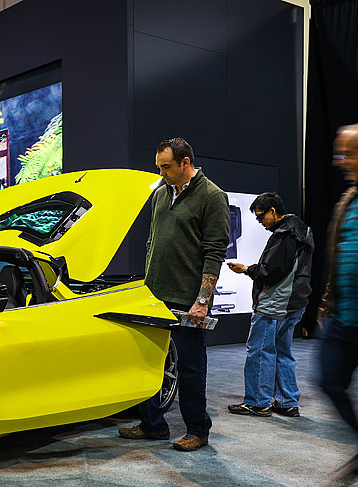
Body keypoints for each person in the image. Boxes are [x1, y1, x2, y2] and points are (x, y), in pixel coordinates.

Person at [118, 138, 230, 451]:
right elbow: (152, 242)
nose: (161, 173)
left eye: (166, 167)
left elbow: (214, 252)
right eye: (159, 167)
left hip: (187, 299)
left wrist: (202, 300)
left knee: (190, 366)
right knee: (150, 362)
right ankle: (152, 424)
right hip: (155, 297)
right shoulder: (160, 195)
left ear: (185, 163)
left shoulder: (212, 196)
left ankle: (198, 429)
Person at [226, 192, 313, 417]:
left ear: (273, 211)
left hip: (276, 303)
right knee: (283, 351)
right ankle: (287, 401)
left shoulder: (285, 234)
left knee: (260, 350)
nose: (260, 222)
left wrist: (247, 269)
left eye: (261, 217)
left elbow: (270, 271)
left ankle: (257, 401)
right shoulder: (301, 230)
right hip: (294, 302)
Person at [317, 123, 358, 483]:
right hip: (345, 319)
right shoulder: (348, 200)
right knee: (329, 381)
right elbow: (338, 256)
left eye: (346, 152)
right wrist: (326, 305)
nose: (338, 161)